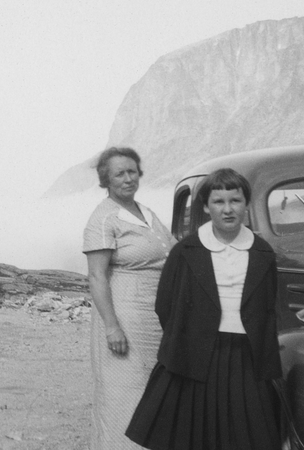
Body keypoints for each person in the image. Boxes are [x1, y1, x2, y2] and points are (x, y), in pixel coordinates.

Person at [125, 168, 283, 450]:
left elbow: (269, 307)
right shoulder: (186, 251)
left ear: (246, 204)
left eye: (235, 201)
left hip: (247, 356)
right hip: (197, 356)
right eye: (218, 202)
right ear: (207, 208)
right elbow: (166, 306)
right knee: (197, 436)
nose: (227, 210)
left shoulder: (262, 252)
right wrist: (190, 337)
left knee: (248, 436)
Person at [83, 147, 176, 450]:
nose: (127, 178)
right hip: (125, 316)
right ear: (105, 179)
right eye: (119, 173)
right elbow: (97, 276)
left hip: (155, 318)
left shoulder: (146, 212)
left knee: (154, 389)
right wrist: (112, 326)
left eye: (132, 171)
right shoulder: (103, 218)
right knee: (124, 392)